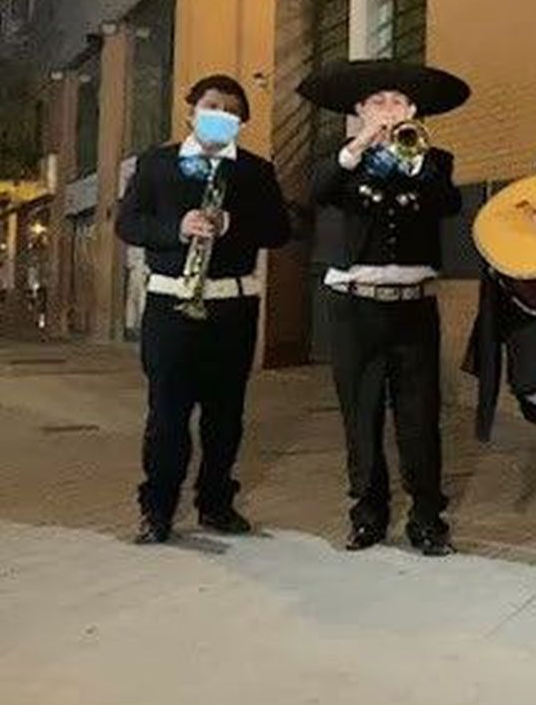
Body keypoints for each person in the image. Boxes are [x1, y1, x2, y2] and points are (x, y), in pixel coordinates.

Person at [299, 60, 470, 557]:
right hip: (354, 307)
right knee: (361, 413)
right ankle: (368, 513)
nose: (388, 110)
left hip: (413, 306)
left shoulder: (434, 160)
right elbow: (316, 192)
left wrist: (412, 159)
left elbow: (446, 202)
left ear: (413, 110)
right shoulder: (340, 162)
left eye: (397, 102)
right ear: (360, 110)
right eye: (378, 103)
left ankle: (426, 517)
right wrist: (359, 144)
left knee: (420, 417)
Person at [115, 74, 292, 544]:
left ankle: (216, 503)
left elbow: (280, 230)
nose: (220, 115)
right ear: (191, 111)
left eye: (231, 111)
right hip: (170, 303)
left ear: (240, 123)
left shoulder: (255, 171)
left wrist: (232, 222)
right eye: (212, 105)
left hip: (232, 307)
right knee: (167, 415)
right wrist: (177, 227)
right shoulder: (157, 165)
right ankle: (157, 509)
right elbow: (129, 223)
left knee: (225, 415)